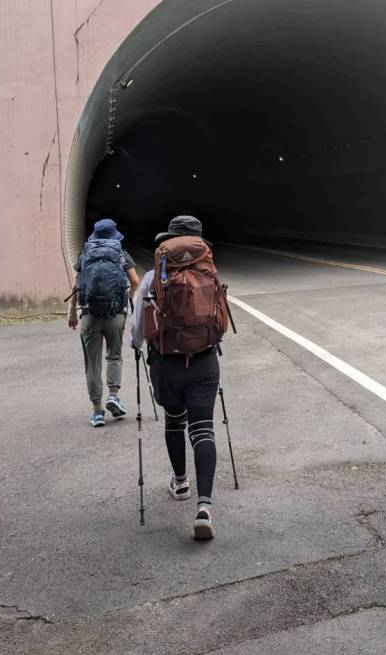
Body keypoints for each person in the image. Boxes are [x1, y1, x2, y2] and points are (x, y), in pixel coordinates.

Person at [131, 215, 224, 541]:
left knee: (175, 421)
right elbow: (219, 316)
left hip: (167, 364)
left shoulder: (153, 276)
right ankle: (204, 507)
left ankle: (181, 483)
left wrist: (137, 345)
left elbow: (138, 326)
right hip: (204, 362)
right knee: (203, 429)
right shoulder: (209, 271)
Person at [68, 218, 140, 426]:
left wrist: (72, 313)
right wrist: (127, 296)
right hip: (114, 314)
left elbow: (77, 286)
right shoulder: (120, 253)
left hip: (90, 315)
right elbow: (135, 281)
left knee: (92, 363)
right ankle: (113, 396)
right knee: (114, 356)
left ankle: (97, 411)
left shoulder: (85, 254)